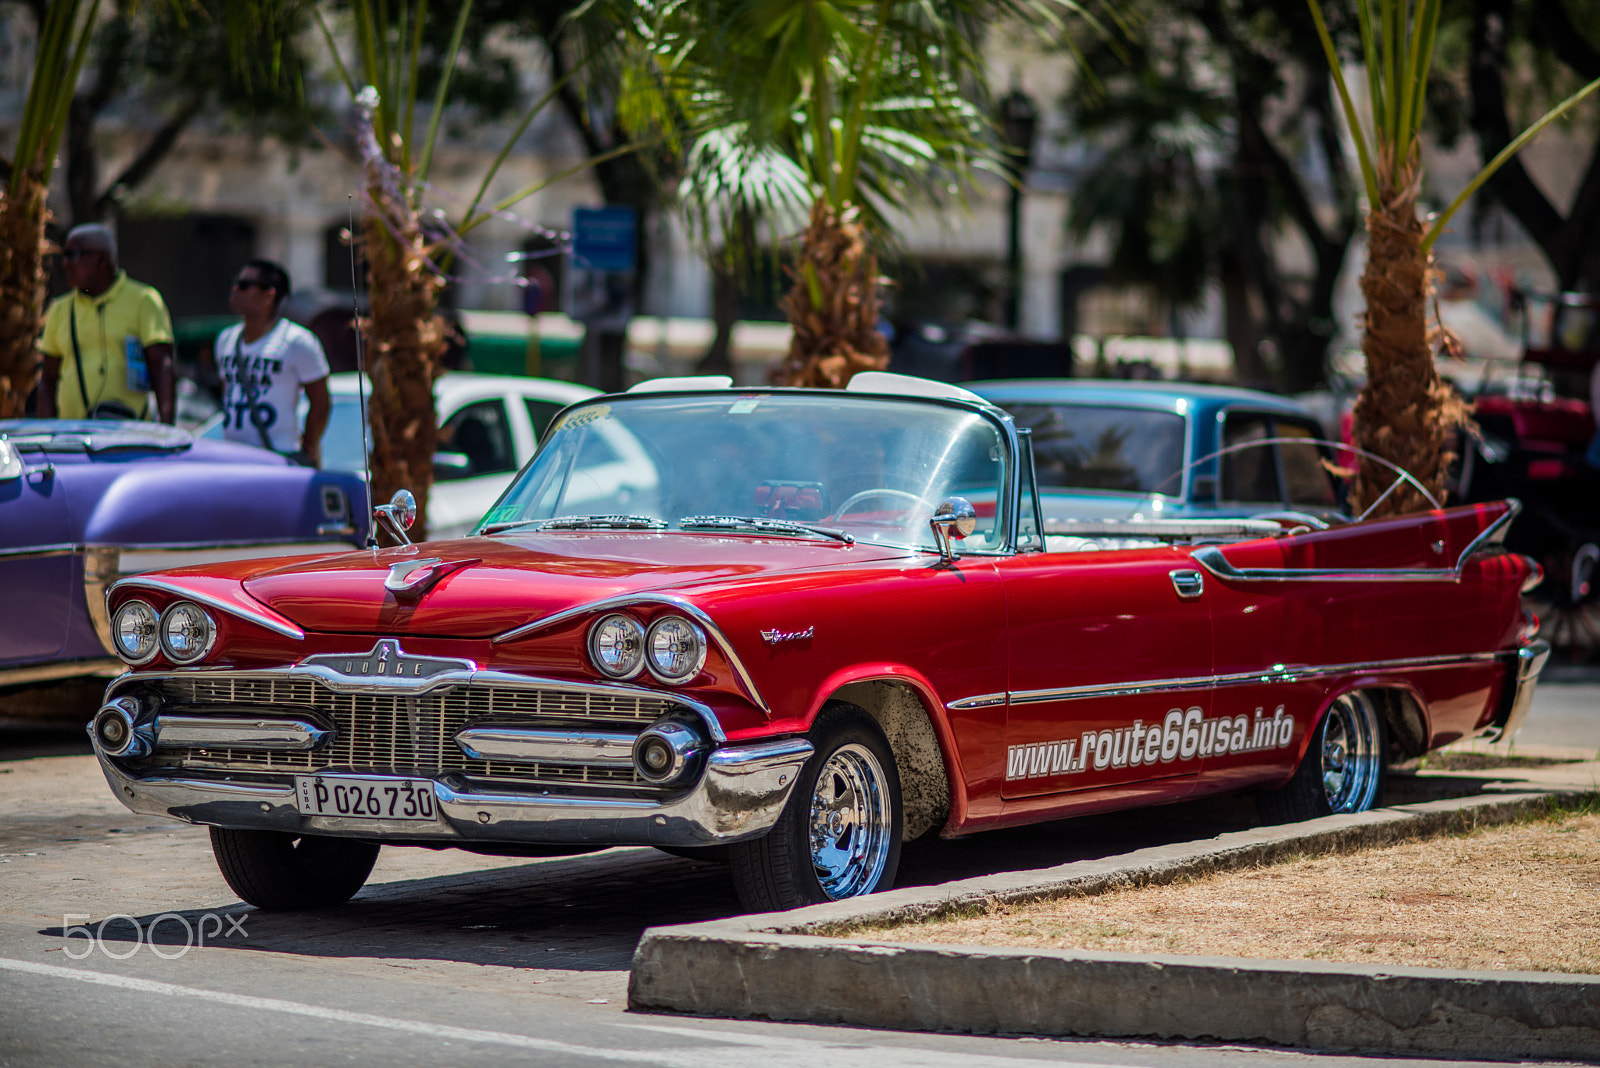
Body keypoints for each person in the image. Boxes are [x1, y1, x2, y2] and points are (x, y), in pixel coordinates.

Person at [38, 224, 175, 422]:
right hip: (72, 440)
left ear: (102, 259)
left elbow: (162, 367)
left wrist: (167, 432)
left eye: (73, 254)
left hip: (130, 435)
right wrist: (48, 435)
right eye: (64, 256)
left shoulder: (144, 300)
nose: (65, 263)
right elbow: (48, 381)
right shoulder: (59, 310)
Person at [214, 260, 331, 467]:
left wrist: (308, 447)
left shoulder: (297, 341)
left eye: (244, 285)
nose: (235, 290)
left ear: (269, 295)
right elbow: (227, 391)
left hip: (277, 458)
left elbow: (321, 403)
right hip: (232, 458)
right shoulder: (225, 339)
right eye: (235, 283)